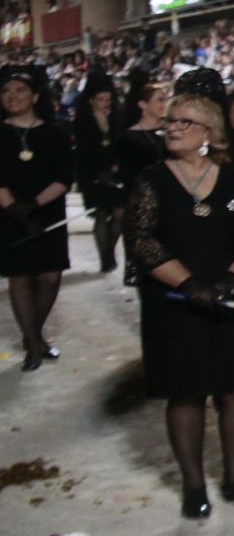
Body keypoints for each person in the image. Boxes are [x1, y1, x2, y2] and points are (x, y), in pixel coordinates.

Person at [126, 91, 234, 517]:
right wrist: (189, 285)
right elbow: (142, 241)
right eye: (169, 121)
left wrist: (229, 280)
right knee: (185, 392)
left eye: (184, 121)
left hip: (229, 298)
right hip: (174, 300)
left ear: (208, 133)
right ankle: (193, 485)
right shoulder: (151, 179)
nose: (172, 127)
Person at [0, 67, 72, 369]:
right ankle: (33, 345)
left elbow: (65, 177)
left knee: (49, 276)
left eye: (19, 90)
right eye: (5, 91)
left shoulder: (55, 133)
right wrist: (16, 210)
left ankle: (34, 334)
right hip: (8, 213)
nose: (12, 96)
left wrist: (35, 204)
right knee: (20, 277)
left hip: (48, 214)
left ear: (35, 95)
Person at [72, 74, 125, 273]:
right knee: (102, 214)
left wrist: (115, 169)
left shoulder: (117, 118)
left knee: (119, 213)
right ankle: (105, 257)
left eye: (108, 100)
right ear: (91, 100)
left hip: (116, 172)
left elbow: (122, 145)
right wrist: (100, 173)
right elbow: (84, 150)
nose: (105, 104)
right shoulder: (83, 120)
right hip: (92, 173)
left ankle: (110, 252)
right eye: (101, 100)